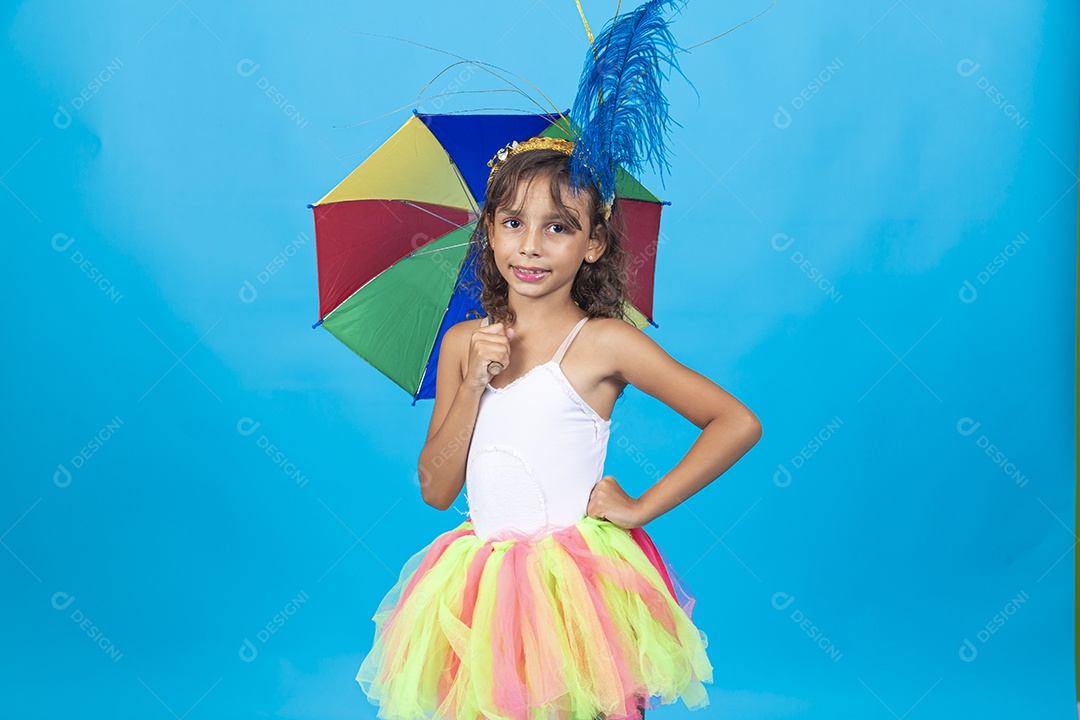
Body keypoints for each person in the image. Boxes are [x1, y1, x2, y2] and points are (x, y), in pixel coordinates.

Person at [355, 134, 763, 719]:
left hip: (572, 589)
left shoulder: (604, 342)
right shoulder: (464, 343)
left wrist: (640, 507)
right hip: (481, 588)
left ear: (593, 242)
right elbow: (437, 490)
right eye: (513, 221)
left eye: (558, 227)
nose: (530, 246)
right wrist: (473, 382)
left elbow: (736, 422)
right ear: (489, 230)